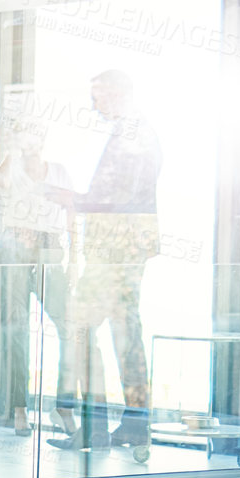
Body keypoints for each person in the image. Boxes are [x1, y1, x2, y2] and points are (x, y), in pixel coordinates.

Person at [48, 70, 163, 453]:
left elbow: (118, 195)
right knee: (124, 329)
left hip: (116, 249)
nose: (94, 105)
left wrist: (72, 200)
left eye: (98, 96)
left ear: (116, 94)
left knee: (80, 326)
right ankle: (133, 423)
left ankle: (97, 423)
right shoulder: (136, 131)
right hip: (124, 247)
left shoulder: (132, 135)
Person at [0, 117, 76, 437]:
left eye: (34, 136)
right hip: (14, 247)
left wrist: (75, 258)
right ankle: (19, 409)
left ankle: (63, 406)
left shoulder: (60, 171)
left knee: (69, 326)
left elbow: (71, 212)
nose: (30, 143)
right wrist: (12, 148)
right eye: (25, 137)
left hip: (50, 248)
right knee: (16, 329)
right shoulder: (11, 168)